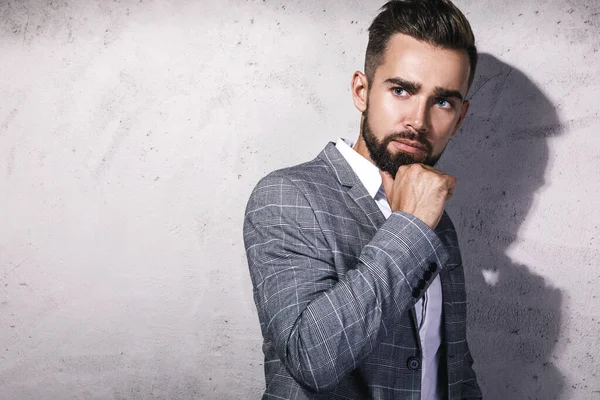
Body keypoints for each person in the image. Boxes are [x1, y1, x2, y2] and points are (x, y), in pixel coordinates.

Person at [243, 0, 482, 398]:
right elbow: (312, 359)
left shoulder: (438, 220)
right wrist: (410, 227)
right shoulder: (286, 196)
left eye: (442, 102)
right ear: (362, 90)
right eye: (402, 90)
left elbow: (452, 364)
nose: (418, 121)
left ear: (460, 117)